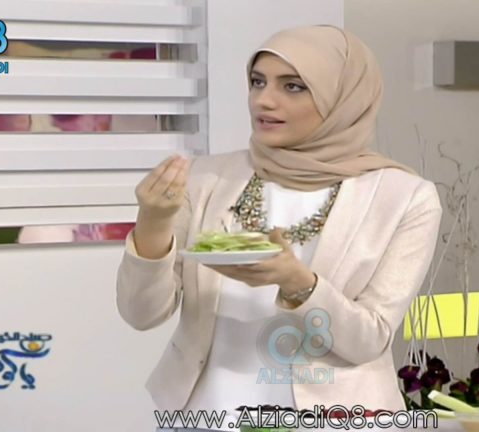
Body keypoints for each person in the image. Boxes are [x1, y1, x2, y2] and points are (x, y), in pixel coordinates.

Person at [116, 25, 442, 431]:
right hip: (208, 414)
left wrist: (298, 283)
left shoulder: (403, 197)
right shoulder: (205, 179)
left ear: (342, 98)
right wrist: (153, 222)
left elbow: (368, 339)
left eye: (293, 86)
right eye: (258, 82)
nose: (263, 100)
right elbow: (141, 314)